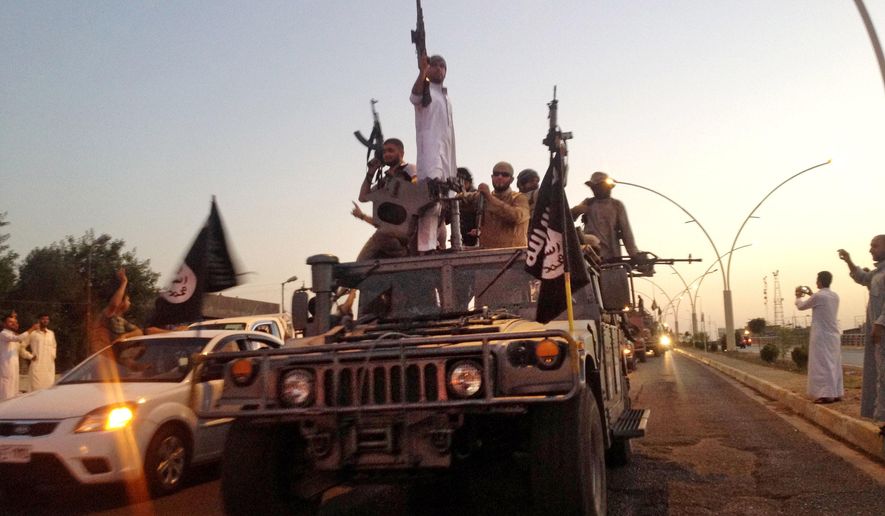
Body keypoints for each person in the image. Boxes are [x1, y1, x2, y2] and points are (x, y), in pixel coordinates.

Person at [411, 54, 457, 253]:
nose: (439, 69)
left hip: (447, 155)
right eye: (434, 65)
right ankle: (426, 248)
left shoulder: (445, 96)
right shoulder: (425, 90)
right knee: (430, 202)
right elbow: (414, 96)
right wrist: (422, 72)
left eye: (442, 66)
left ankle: (444, 244)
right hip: (430, 154)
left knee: (448, 202)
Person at [838, 235, 885, 420]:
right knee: (879, 375)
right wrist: (848, 260)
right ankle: (880, 417)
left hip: (881, 332)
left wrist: (879, 324)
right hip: (878, 336)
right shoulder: (877, 273)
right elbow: (861, 277)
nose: (871, 249)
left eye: (875, 246)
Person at [352, 138, 417, 261]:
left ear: (401, 153)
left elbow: (417, 189)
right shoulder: (384, 180)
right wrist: (371, 173)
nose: (386, 154)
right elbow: (363, 197)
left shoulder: (409, 169)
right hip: (388, 231)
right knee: (361, 262)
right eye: (384, 152)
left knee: (381, 236)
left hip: (406, 229)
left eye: (391, 150)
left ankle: (405, 255)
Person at [795, 272, 843, 404]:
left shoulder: (818, 296)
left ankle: (825, 394)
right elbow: (821, 303)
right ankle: (836, 392)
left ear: (820, 281)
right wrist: (812, 294)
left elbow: (801, 306)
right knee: (834, 364)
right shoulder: (834, 296)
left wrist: (798, 297)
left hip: (821, 335)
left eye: (817, 280)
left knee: (822, 365)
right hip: (833, 335)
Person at [570, 171, 640, 262]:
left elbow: (626, 232)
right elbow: (568, 219)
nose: (596, 190)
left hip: (612, 257)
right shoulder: (588, 203)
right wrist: (576, 210)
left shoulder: (616, 205)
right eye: (595, 187)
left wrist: (634, 254)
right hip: (591, 256)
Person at [459, 162, 530, 249]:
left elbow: (516, 217)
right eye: (496, 174)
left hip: (513, 257)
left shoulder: (519, 198)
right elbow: (462, 198)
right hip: (486, 256)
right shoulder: (482, 196)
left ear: (511, 179)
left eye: (504, 175)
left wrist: (489, 198)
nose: (499, 177)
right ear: (492, 177)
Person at [91, 268, 143, 354]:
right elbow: (114, 304)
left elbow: (139, 332)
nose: (129, 303)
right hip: (102, 356)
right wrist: (124, 282)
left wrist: (124, 336)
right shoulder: (108, 315)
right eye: (128, 300)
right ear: (121, 302)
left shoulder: (121, 320)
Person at [0, 313, 36, 400]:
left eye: (15, 322)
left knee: (13, 389)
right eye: (10, 322)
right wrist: (32, 329)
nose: (14, 324)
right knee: (6, 389)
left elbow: (20, 349)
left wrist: (31, 357)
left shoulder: (14, 335)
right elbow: (18, 338)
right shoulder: (3, 334)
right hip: (6, 366)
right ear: (4, 324)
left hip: (14, 367)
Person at [26, 312, 57, 391]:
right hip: (37, 366)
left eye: (47, 319)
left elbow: (54, 346)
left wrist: (52, 356)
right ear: (39, 320)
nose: (45, 321)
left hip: (49, 366)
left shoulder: (51, 333)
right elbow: (21, 347)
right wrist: (30, 356)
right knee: (36, 390)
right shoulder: (33, 333)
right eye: (43, 319)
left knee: (49, 391)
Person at [456, 167, 479, 247]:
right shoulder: (456, 197)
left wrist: (479, 229)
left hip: (476, 239)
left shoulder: (476, 196)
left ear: (468, 182)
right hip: (461, 239)